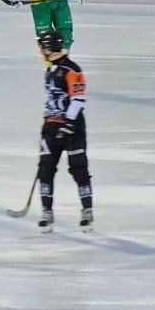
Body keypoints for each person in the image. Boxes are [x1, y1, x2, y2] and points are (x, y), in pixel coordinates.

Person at [35, 31, 93, 233]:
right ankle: (47, 212)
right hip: (51, 128)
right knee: (45, 169)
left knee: (79, 167)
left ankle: (87, 210)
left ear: (50, 47)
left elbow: (78, 99)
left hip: (73, 128)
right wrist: (47, 125)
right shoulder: (49, 70)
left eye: (42, 45)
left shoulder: (72, 70)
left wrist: (68, 123)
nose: (40, 50)